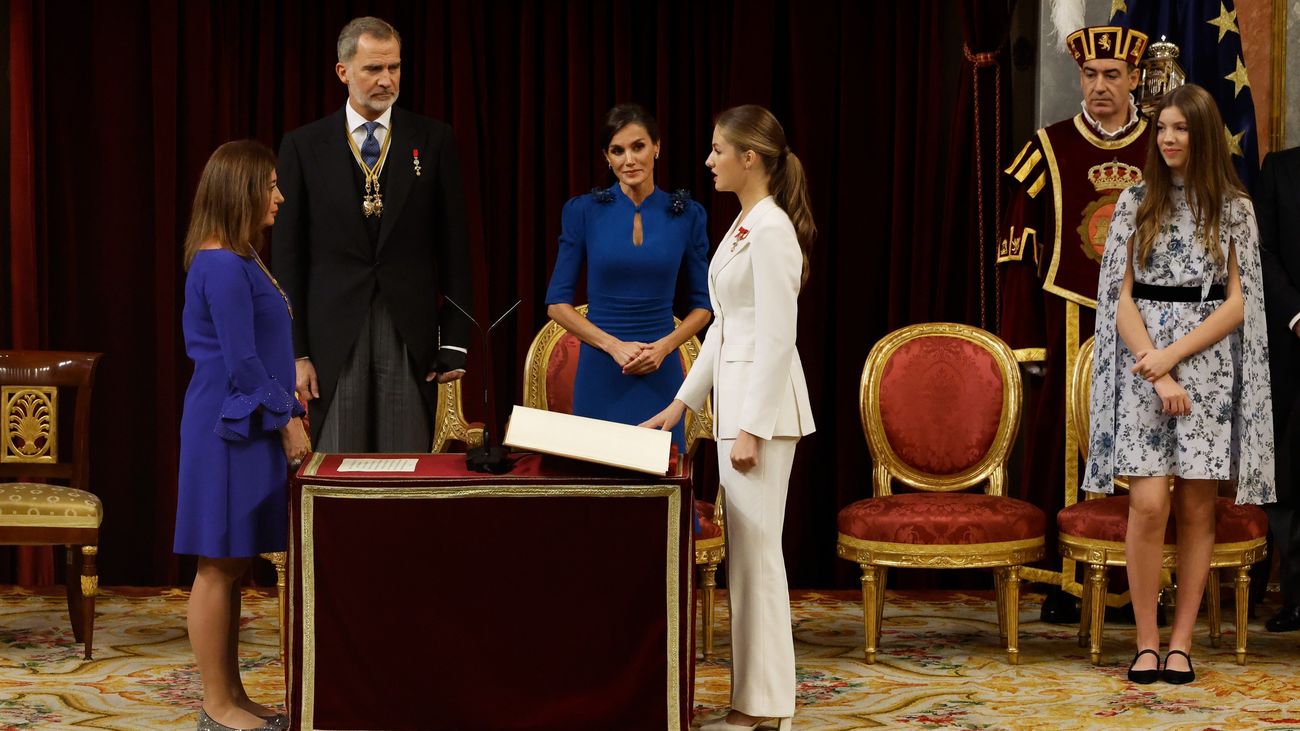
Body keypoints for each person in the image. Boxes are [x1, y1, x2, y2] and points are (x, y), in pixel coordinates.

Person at [1084, 83, 1274, 685]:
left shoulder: (1236, 208)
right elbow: (1117, 296)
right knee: (1146, 505)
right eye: (1161, 127)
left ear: (1204, 134)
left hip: (1209, 366)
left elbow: (1240, 303)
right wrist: (1155, 365)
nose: (1167, 139)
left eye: (1181, 129)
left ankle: (1182, 644)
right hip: (1145, 367)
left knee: (1196, 508)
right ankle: (1144, 641)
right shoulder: (1134, 201)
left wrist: (1175, 358)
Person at [642, 104, 815, 731]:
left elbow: (776, 337)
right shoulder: (744, 223)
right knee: (746, 555)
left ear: (751, 157)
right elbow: (723, 330)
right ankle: (754, 699)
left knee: (759, 555)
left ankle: (769, 706)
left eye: (719, 150)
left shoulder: (771, 230)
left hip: (763, 415)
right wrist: (680, 405)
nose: (709, 160)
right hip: (738, 406)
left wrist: (751, 427)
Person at [998, 25, 1151, 620]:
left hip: (1152, 321)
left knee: (1145, 447)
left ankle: (1139, 585)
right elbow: (1019, 249)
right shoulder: (1049, 145)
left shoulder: (1164, 143)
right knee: (1067, 441)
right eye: (1091, 75)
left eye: (1113, 75)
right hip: (1069, 316)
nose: (1100, 87)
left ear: (1136, 79)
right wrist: (1026, 342)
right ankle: (1066, 582)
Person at [271, 16, 471, 453]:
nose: (386, 80)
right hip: (332, 336)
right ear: (343, 72)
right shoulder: (304, 146)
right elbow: (287, 257)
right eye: (373, 69)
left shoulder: (434, 140)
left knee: (404, 469)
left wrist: (455, 338)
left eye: (394, 68)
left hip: (409, 331)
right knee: (339, 471)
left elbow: (455, 246)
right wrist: (296, 351)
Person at [175, 140, 309, 731]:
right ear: (242, 191)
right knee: (217, 565)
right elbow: (242, 364)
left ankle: (232, 696)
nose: (279, 196)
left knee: (233, 564)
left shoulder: (242, 255)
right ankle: (215, 703)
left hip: (246, 425)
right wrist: (289, 420)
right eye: (271, 185)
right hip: (227, 431)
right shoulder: (222, 264)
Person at [543, 103, 712, 451]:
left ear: (657, 147)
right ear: (607, 157)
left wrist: (665, 347)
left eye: (638, 146)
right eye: (617, 151)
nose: (629, 160)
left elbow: (703, 307)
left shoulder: (688, 215)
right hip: (601, 372)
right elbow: (556, 304)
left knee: (662, 483)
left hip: (660, 370)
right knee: (598, 485)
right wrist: (613, 346)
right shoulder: (583, 212)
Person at [1255, 146, 1300, 632]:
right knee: (1289, 478)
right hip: (1292, 346)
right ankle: (1295, 597)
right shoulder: (1280, 169)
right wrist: (1297, 315)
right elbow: (1261, 251)